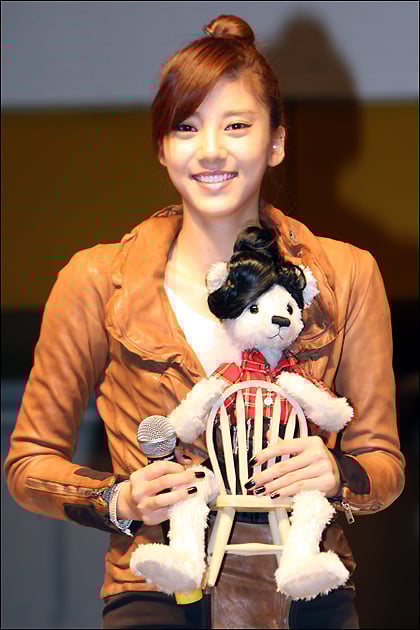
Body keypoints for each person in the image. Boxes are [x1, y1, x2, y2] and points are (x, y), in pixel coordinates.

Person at [4, 14, 405, 630]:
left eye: (236, 125)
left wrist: (338, 473)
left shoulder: (348, 274)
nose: (211, 149)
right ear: (162, 147)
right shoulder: (96, 279)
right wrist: (120, 497)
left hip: (306, 593)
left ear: (276, 142)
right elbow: (29, 465)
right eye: (186, 127)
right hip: (156, 589)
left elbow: (383, 463)